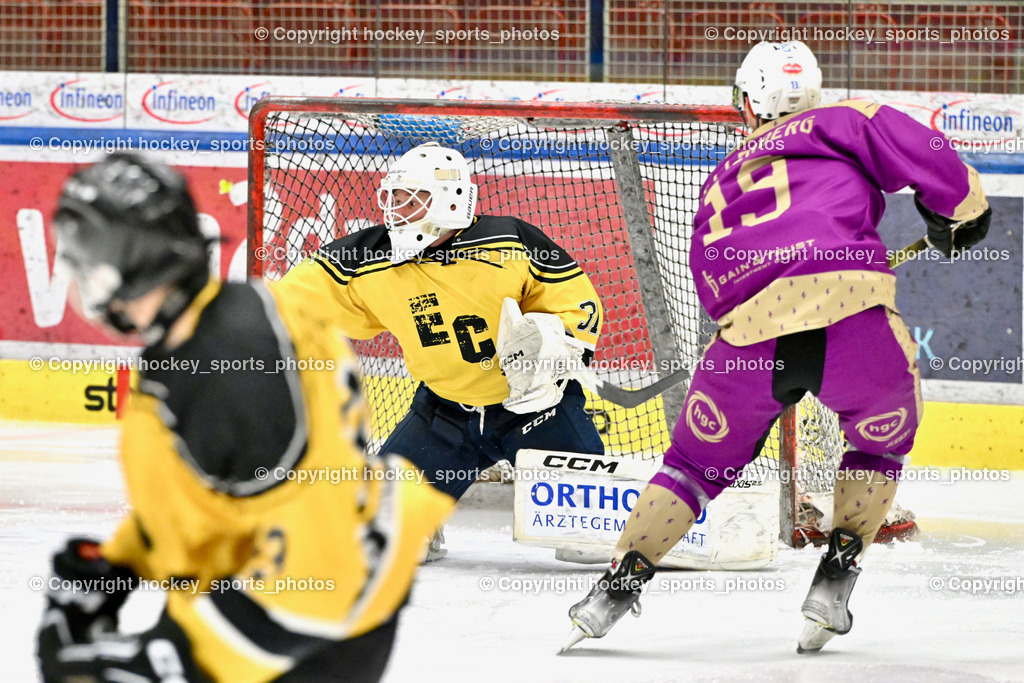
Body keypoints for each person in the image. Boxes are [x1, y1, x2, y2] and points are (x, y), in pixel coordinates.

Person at [563, 40, 991, 654]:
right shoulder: (842, 120)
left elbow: (709, 274)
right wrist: (958, 211)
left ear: (745, 101)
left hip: (746, 338)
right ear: (811, 94)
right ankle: (835, 579)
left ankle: (614, 589)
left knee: (689, 466)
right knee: (880, 442)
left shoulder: (720, 179)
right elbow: (928, 153)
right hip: (851, 316)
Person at [37, 153, 453, 682]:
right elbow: (216, 496)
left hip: (311, 634)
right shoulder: (220, 329)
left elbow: (324, 575)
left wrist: (172, 660)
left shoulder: (230, 366)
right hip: (286, 600)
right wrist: (119, 563)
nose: (82, 279)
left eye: (88, 258)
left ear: (131, 259)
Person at [273, 142, 606, 558]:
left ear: (451, 201)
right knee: (377, 538)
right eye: (394, 196)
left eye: (413, 197)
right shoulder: (368, 257)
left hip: (539, 411)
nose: (396, 208)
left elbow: (578, 304)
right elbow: (288, 300)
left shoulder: (511, 241)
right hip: (445, 415)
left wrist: (555, 345)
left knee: (588, 543)